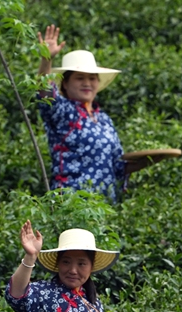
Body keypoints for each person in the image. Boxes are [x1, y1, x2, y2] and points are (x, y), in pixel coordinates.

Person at [5, 222, 117, 312]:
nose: (73, 270)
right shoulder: (44, 292)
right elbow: (17, 297)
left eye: (81, 264)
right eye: (66, 262)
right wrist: (30, 257)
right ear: (58, 264)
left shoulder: (94, 303)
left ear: (92, 267)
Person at [37, 26, 126, 200]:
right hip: (72, 203)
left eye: (92, 78)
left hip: (103, 207)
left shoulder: (104, 119)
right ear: (65, 84)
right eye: (79, 78)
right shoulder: (64, 112)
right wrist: (47, 59)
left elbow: (118, 164)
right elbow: (45, 94)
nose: (87, 83)